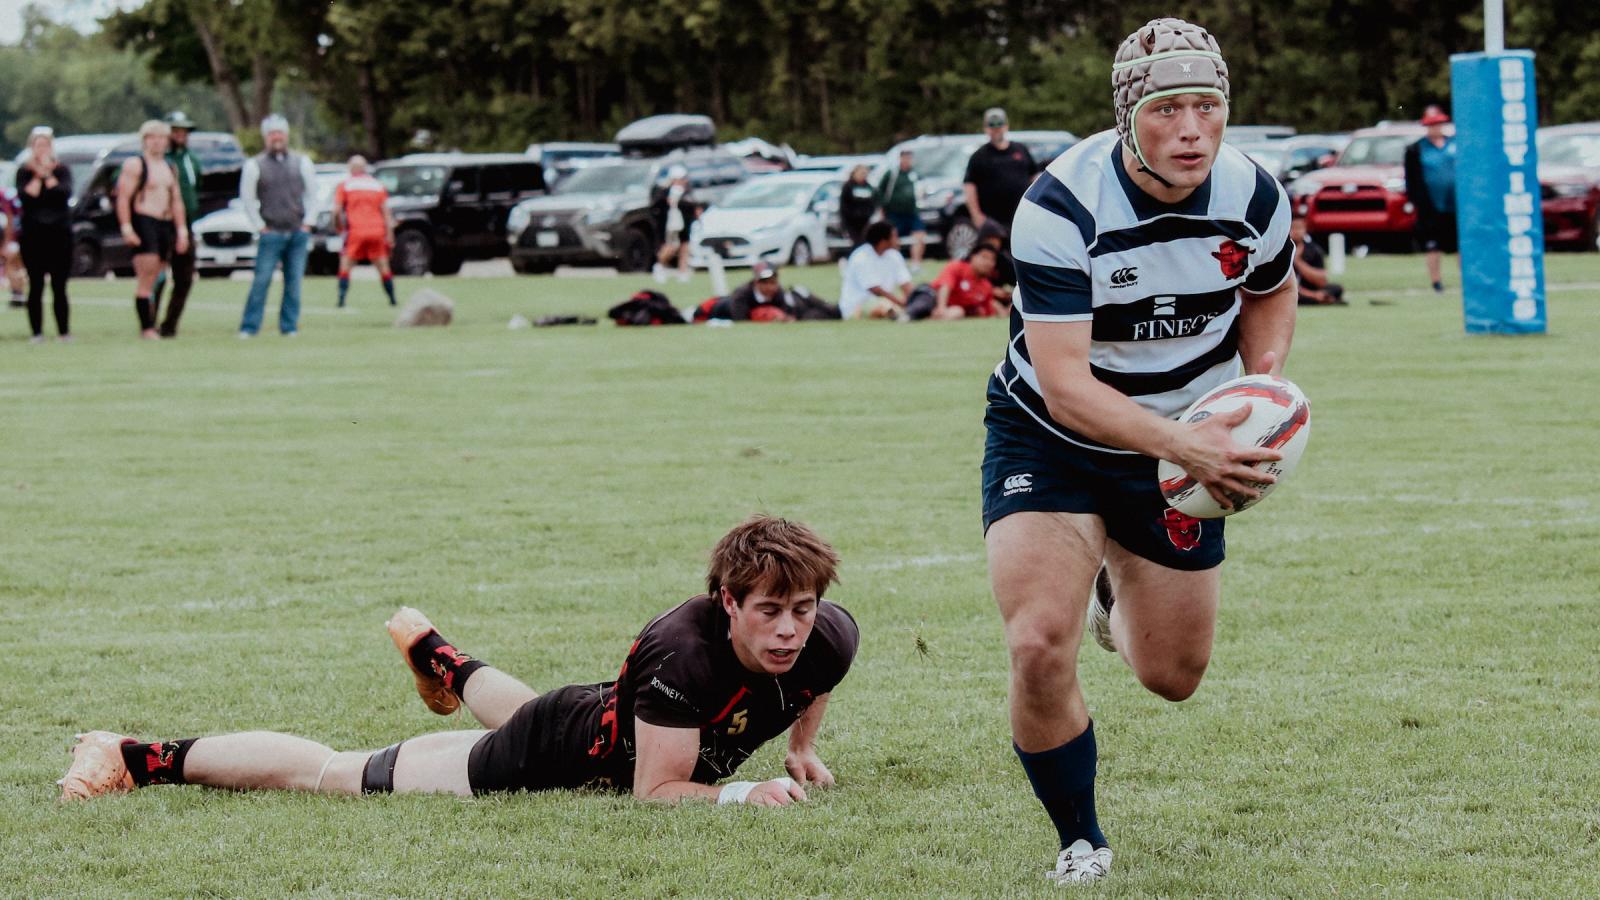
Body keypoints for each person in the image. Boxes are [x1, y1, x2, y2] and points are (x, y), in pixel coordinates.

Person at [982, 19, 1296, 884]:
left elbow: (1271, 290)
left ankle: (1112, 590)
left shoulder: (1256, 194)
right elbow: (1067, 385)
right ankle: (1080, 837)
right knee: (1039, 641)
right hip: (1050, 434)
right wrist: (1186, 446)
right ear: (1128, 117)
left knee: (1173, 675)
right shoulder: (1060, 205)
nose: (1193, 128)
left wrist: (1264, 390)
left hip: (1185, 439)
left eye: (1209, 105)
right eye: (1168, 109)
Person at [59, 516, 858, 809]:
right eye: (768, 612)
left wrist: (801, 747)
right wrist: (742, 793)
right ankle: (133, 755)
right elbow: (656, 790)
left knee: (556, 706)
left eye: (801, 609)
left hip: (596, 716)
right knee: (341, 772)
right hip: (548, 752)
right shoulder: (683, 657)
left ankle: (438, 654)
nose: (789, 630)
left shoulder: (829, 634)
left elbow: (813, 679)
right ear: (726, 602)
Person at [239, 114, 318, 338]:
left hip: (296, 231)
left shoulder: (301, 162)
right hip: (271, 231)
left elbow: (313, 194)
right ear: (266, 137)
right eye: (272, 133)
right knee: (261, 281)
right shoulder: (255, 164)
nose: (277, 137)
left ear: (286, 135)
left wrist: (308, 223)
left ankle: (289, 326)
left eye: (280, 132)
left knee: (294, 282)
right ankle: (249, 326)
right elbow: (247, 198)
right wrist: (259, 225)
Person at [116, 120, 187, 340]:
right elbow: (123, 198)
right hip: (145, 220)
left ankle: (153, 322)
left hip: (165, 223)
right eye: (152, 137)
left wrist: (181, 229)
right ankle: (146, 327)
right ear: (145, 140)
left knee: (161, 276)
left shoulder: (169, 166)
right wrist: (127, 227)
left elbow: (176, 200)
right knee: (147, 276)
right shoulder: (135, 165)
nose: (157, 142)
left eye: (161, 138)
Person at [15, 126, 73, 343]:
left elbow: (63, 193)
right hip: (33, 235)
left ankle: (63, 331)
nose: (42, 149)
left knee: (60, 285)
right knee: (36, 284)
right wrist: (38, 175)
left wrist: (47, 173)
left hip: (59, 234)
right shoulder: (24, 172)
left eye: (46, 144)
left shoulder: (62, 170)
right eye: (38, 145)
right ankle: (37, 332)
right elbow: (27, 196)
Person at [149, 111, 202, 338]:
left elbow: (195, 187)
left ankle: (170, 325)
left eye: (184, 131)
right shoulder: (156, 159)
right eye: (176, 131)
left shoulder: (191, 160)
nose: (180, 135)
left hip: (185, 225)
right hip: (160, 224)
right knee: (157, 277)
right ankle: (148, 323)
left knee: (184, 278)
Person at [1402, 105, 1456, 293]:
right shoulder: (1416, 149)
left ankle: (1467, 281)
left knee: (1460, 245)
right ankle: (1436, 282)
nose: (1436, 128)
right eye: (1432, 124)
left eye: (1438, 124)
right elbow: (1411, 179)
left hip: (1455, 203)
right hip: (1431, 205)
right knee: (1433, 245)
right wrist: (1416, 201)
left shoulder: (1455, 144)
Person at [332, 155, 397, 308]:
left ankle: (341, 300)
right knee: (383, 266)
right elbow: (387, 213)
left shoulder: (345, 185)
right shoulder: (377, 185)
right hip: (377, 230)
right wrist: (390, 234)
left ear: (351, 168)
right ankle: (392, 298)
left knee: (346, 265)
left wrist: (339, 227)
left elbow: (336, 211)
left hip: (356, 231)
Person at [963, 108, 1036, 234]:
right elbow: (969, 187)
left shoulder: (1021, 150)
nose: (996, 129)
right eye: (991, 125)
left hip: (1021, 217)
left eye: (999, 125)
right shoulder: (979, 156)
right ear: (986, 128)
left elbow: (1035, 178)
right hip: (992, 221)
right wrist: (976, 215)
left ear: (1006, 126)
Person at [838, 221, 912, 320]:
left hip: (887, 301)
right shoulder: (861, 257)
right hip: (858, 305)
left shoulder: (894, 256)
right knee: (883, 306)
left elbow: (905, 283)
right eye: (894, 237)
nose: (898, 240)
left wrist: (912, 299)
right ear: (883, 241)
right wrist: (900, 302)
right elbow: (876, 290)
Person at [725, 260, 840, 322]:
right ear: (756, 282)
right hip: (804, 316)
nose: (770, 287)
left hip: (800, 302)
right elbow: (741, 321)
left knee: (831, 310)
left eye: (773, 282)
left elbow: (790, 315)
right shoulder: (741, 296)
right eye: (765, 283)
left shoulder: (781, 293)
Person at [927, 244, 1006, 320]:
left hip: (953, 311)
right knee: (957, 311)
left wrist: (1004, 312)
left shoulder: (986, 285)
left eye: (992, 259)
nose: (988, 262)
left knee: (957, 312)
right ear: (973, 256)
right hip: (930, 299)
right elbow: (945, 287)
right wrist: (941, 309)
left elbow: (990, 304)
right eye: (984, 257)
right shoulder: (957, 267)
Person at [876, 150, 925, 268]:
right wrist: (883, 208)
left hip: (912, 212)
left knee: (919, 236)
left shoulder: (914, 174)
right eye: (906, 158)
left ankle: (916, 264)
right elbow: (880, 191)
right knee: (893, 239)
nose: (908, 160)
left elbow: (920, 189)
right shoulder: (892, 174)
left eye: (910, 158)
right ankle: (896, 264)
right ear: (901, 158)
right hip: (894, 213)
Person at [651, 166, 698, 284]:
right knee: (670, 247)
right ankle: (660, 266)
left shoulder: (687, 191)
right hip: (669, 224)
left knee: (684, 247)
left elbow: (691, 206)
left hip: (684, 223)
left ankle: (683, 272)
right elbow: (657, 207)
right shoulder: (664, 191)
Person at [1291, 214, 1345, 305]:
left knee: (1336, 288)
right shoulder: (1281, 251)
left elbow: (1322, 281)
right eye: (1292, 228)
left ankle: (1321, 298)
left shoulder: (1313, 250)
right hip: (1291, 290)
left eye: (1299, 228)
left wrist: (1298, 261)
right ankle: (1321, 299)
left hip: (1309, 288)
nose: (1296, 231)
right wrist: (1313, 295)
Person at [839, 164, 878, 248]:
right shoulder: (848, 186)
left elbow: (873, 203)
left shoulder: (868, 187)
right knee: (856, 243)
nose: (863, 175)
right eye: (861, 173)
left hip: (865, 221)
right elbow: (844, 205)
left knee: (866, 242)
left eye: (865, 173)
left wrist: (868, 213)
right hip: (851, 222)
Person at [2, 185, 24, 308]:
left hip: (17, 235)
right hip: (26, 232)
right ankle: (19, 293)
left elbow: (10, 217)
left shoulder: (3, 196)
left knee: (11, 264)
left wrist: (7, 240)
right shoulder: (11, 192)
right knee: (18, 265)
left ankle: (18, 294)